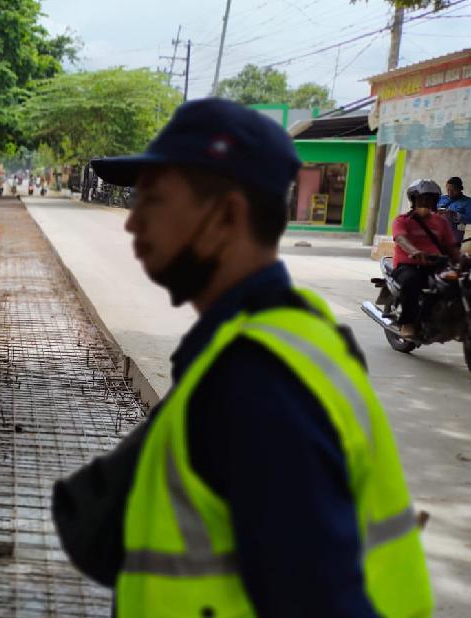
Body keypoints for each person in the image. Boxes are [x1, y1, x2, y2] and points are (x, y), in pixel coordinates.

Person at [56, 98, 431, 617]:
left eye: (156, 201)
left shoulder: (259, 381)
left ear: (225, 216)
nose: (133, 223)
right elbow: (98, 528)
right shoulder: (282, 337)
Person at [392, 179, 460, 339]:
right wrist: (415, 251)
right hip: (408, 265)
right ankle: (407, 322)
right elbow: (401, 238)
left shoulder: (441, 222)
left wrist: (461, 258)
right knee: (412, 281)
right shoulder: (402, 220)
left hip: (436, 264)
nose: (427, 201)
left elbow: (450, 247)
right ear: (414, 199)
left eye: (431, 198)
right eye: (423, 197)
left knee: (457, 283)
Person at [438, 175, 471, 244]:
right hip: (437, 234)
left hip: (454, 236)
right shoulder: (441, 199)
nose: (450, 193)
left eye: (453, 190)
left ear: (460, 189)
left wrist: (456, 215)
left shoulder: (468, 202)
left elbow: (469, 219)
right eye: (448, 190)